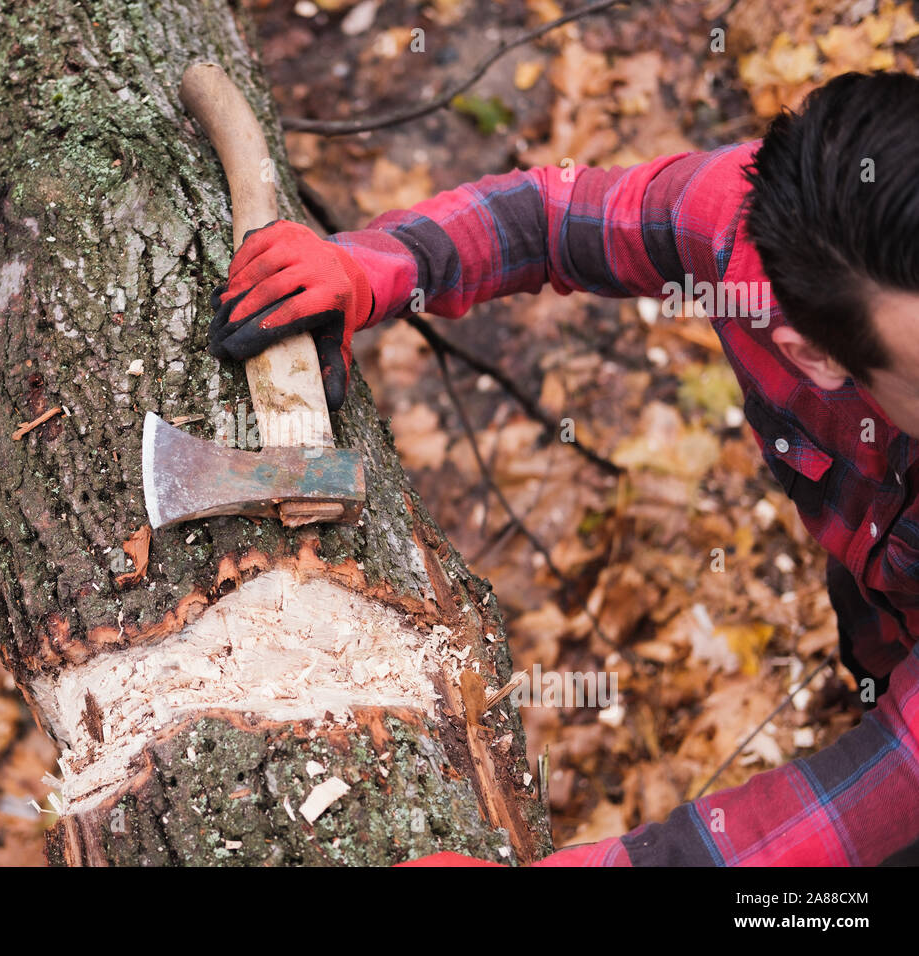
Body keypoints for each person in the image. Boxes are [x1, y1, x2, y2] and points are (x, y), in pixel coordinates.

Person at [208, 70, 919, 865]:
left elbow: (901, 773)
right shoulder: (751, 238)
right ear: (814, 355)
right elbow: (551, 217)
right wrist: (378, 265)